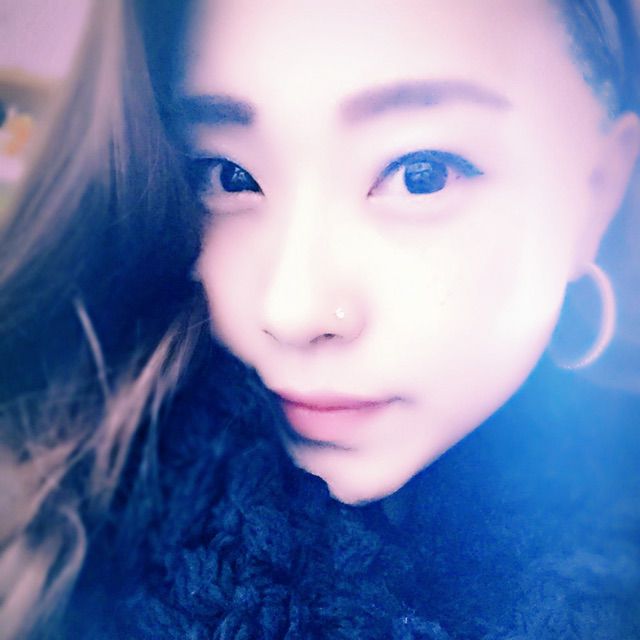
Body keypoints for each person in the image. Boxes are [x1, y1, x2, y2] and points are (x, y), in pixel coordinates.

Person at [1, 0, 639, 638]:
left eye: (420, 175)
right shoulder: (43, 517)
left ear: (596, 192)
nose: (292, 311)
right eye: (228, 175)